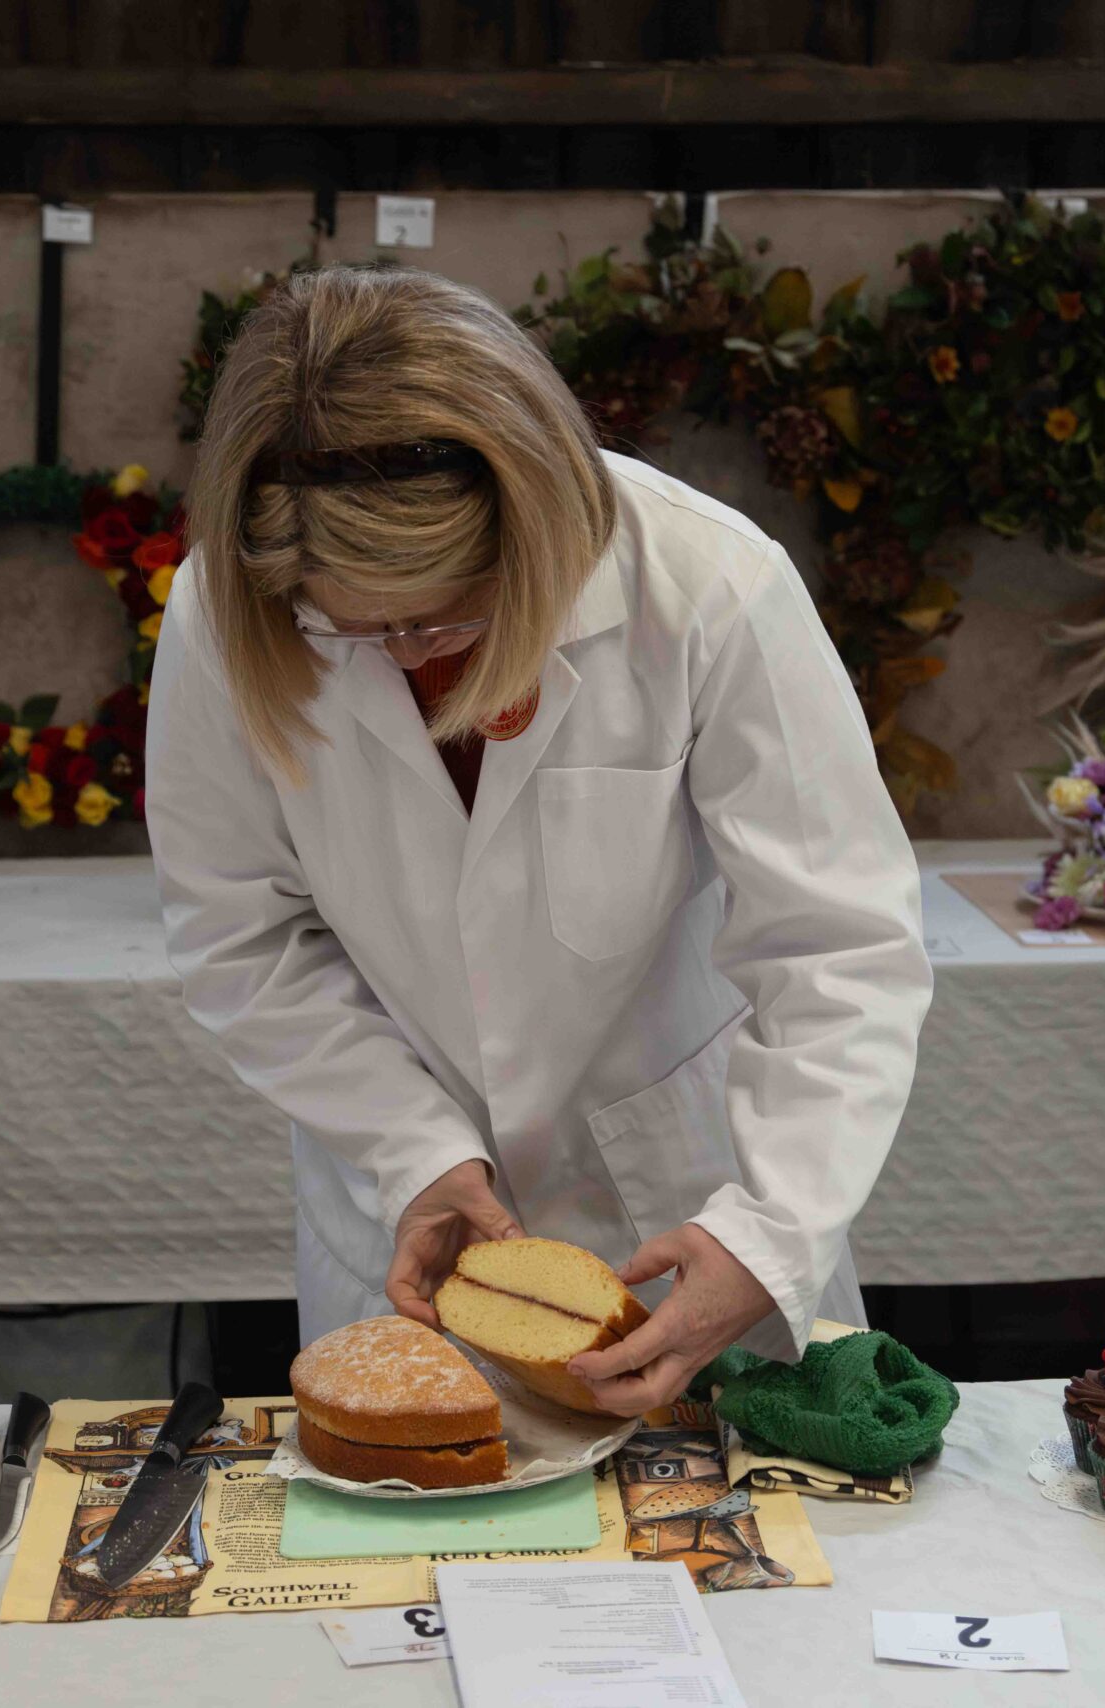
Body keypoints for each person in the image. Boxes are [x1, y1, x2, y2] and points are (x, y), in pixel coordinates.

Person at [145, 265, 930, 1416]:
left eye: (441, 615)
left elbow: (839, 948)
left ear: (535, 526)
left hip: (692, 1211)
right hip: (406, 1218)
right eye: (352, 627)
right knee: (416, 1509)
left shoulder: (706, 582)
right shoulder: (227, 615)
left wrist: (768, 1236)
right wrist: (412, 1147)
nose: (407, 656)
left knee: (736, 1523)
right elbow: (242, 937)